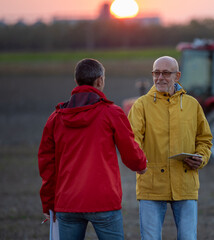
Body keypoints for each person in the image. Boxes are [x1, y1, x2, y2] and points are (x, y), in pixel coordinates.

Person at [38, 58, 147, 240]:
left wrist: (48, 204)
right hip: (104, 202)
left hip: (67, 203)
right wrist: (141, 165)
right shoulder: (111, 113)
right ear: (100, 81)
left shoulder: (55, 118)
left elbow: (47, 167)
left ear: (76, 81)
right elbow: (130, 151)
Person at [128, 56, 213, 240]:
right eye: (156, 73)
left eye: (166, 73)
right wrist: (141, 163)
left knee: (188, 237)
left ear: (178, 76)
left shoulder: (192, 105)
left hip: (185, 182)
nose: (160, 77)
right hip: (151, 184)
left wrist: (200, 157)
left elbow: (205, 139)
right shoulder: (141, 105)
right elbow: (132, 141)